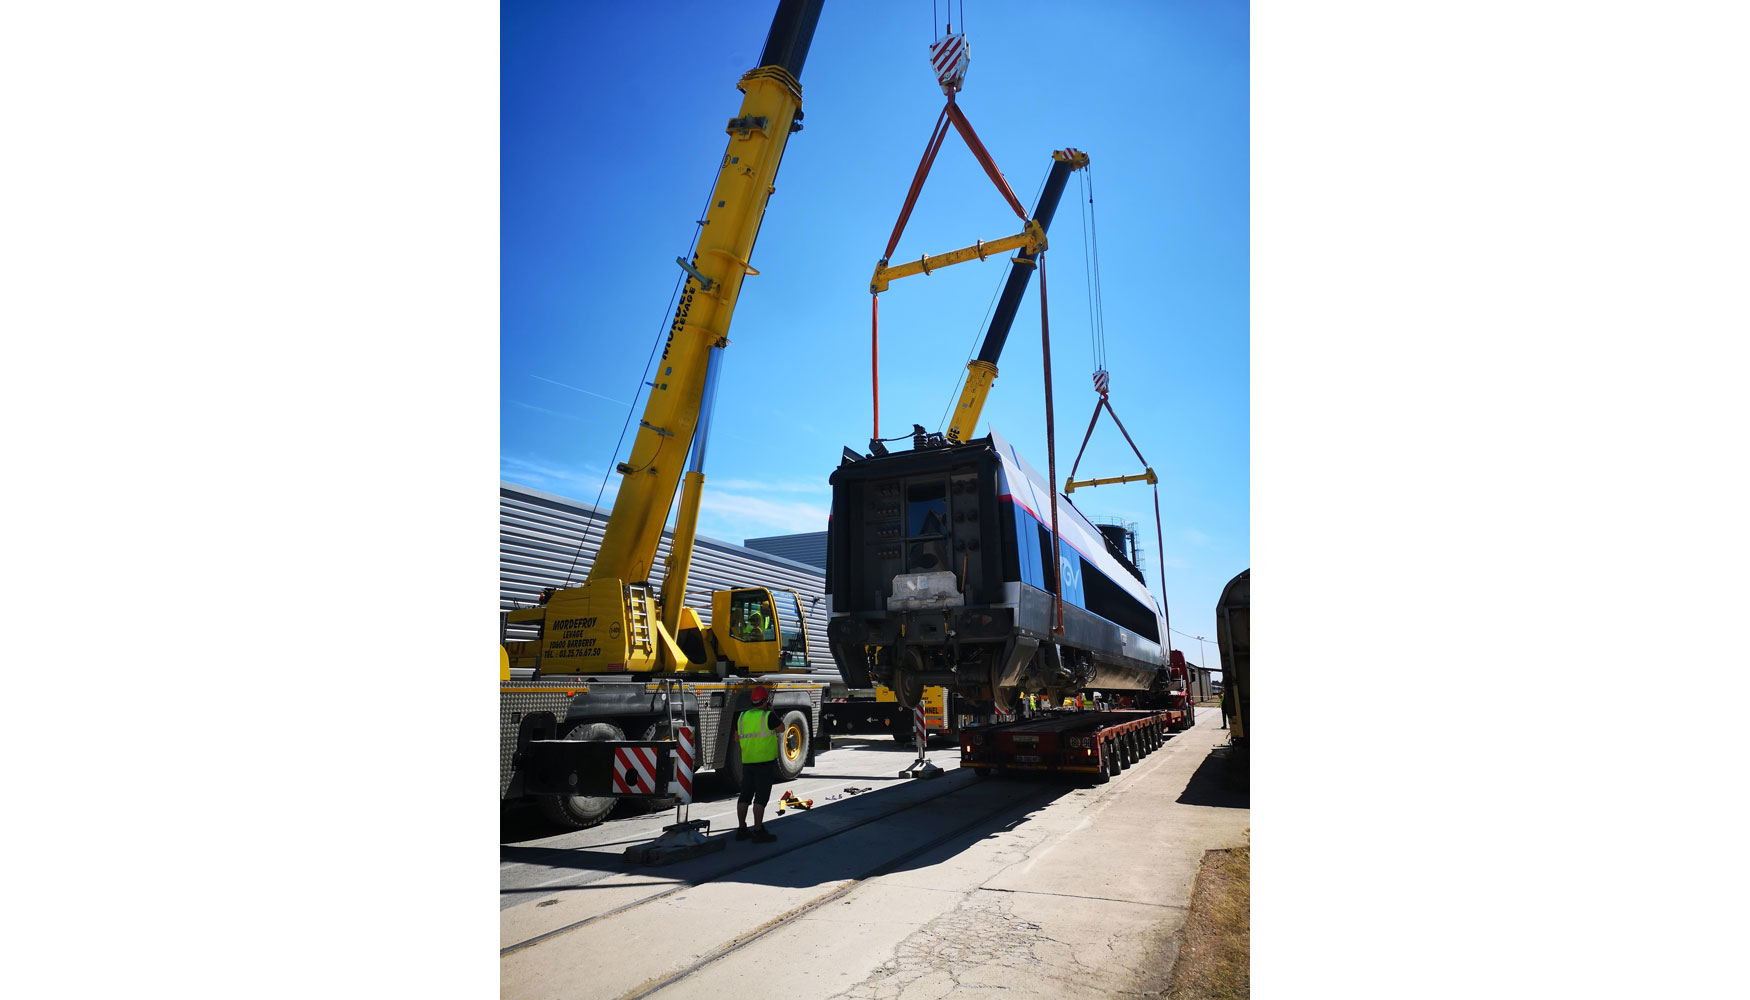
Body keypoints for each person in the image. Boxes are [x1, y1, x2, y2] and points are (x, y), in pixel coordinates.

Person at [735, 685, 782, 843]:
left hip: (747, 763)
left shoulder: (742, 717)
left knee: (745, 796)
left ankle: (742, 829)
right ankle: (758, 830)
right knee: (760, 798)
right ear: (765, 700)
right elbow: (782, 728)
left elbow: (737, 738)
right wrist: (772, 710)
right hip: (764, 764)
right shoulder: (768, 716)